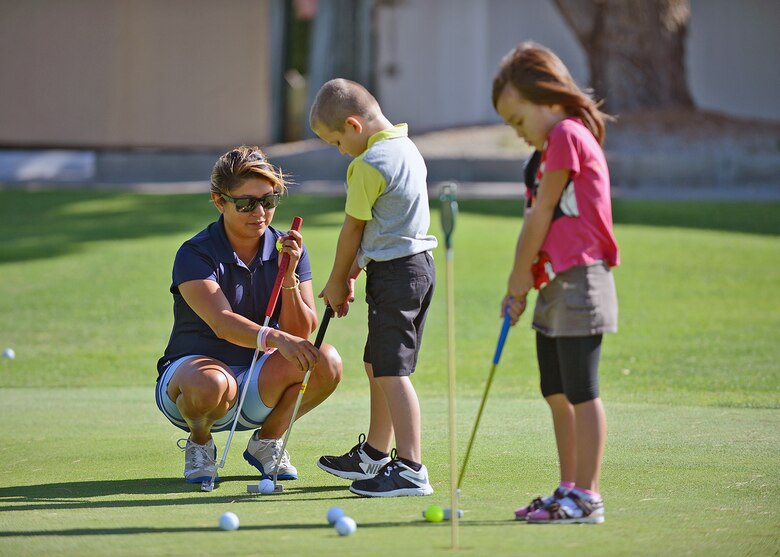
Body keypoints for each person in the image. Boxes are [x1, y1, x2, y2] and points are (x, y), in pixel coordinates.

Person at [155, 145, 342, 485]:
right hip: (193, 383)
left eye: (268, 201)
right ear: (219, 201)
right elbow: (222, 323)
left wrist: (289, 277)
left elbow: (301, 332)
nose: (259, 213)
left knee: (325, 360)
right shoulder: (195, 253)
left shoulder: (289, 248)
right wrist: (276, 338)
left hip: (258, 383)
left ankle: (267, 441)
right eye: (246, 203)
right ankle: (199, 443)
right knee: (212, 383)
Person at [492, 42, 619, 524]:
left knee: (581, 390)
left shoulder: (567, 134)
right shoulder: (546, 151)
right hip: (553, 282)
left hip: (581, 278)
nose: (518, 132)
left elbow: (542, 213)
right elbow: (537, 216)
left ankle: (588, 496)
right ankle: (568, 488)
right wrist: (524, 283)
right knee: (556, 390)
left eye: (518, 119)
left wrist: (516, 278)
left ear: (546, 98)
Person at [308, 78, 438, 497]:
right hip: (417, 269)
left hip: (395, 276)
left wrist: (335, 280)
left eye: (336, 142)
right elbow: (386, 229)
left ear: (353, 125)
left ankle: (411, 468)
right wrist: (352, 276)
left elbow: (354, 231)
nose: (340, 151)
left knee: (391, 371)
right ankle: (376, 454)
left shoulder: (367, 164)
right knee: (376, 362)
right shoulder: (407, 147)